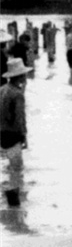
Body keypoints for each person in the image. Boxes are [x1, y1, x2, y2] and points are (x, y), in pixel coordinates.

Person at [1, 58, 32, 207]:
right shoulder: (18, 94)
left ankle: (7, 197)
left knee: (10, 165)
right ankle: (14, 203)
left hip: (2, 132)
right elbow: (20, 118)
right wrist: (24, 135)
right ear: (20, 76)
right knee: (17, 168)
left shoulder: (2, 89)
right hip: (13, 133)